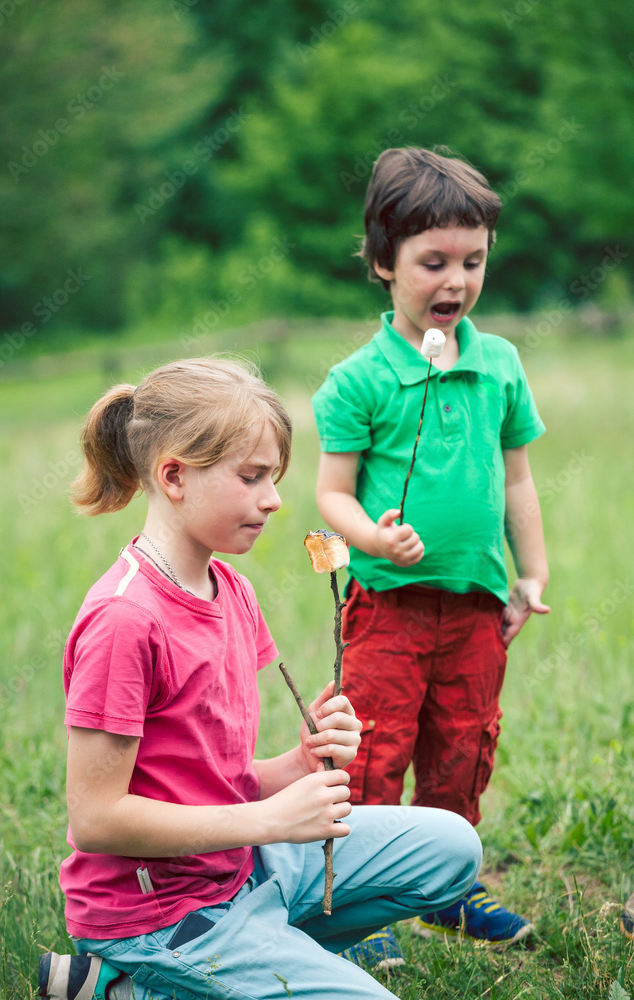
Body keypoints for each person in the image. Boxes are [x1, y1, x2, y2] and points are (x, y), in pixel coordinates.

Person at [38, 357, 482, 1000]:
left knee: (452, 848)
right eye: (251, 478)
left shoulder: (233, 591)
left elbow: (216, 780)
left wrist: (300, 764)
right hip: (160, 915)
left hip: (245, 867)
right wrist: (270, 821)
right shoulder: (125, 621)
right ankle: (129, 983)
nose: (273, 499)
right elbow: (99, 818)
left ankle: (265, 952)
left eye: (272, 478)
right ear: (174, 476)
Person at [312, 147, 549, 957]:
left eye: (473, 261)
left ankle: (446, 886)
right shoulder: (357, 380)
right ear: (384, 262)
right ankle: (362, 902)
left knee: (463, 742)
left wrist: (532, 572)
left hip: (477, 603)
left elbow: (517, 481)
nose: (455, 281)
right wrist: (372, 536)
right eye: (433, 262)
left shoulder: (500, 364)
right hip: (386, 607)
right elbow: (330, 494)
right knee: (375, 750)